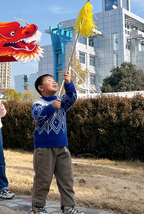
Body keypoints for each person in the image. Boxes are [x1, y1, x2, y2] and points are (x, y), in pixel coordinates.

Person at [29, 72, 84, 214]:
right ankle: (37, 207)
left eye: (54, 80)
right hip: (44, 148)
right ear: (41, 88)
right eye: (49, 80)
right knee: (43, 179)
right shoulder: (39, 102)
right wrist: (52, 107)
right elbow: (37, 116)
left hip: (62, 147)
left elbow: (72, 98)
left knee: (67, 178)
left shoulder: (62, 101)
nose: (54, 82)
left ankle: (68, 207)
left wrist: (69, 84)